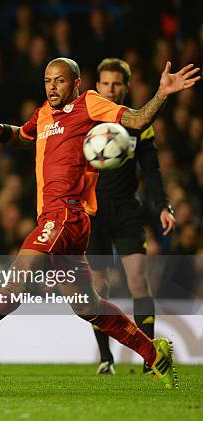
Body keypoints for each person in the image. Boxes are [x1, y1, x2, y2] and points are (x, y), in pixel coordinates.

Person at [0, 57, 199, 389]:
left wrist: (162, 93)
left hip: (65, 214)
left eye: (59, 81)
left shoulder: (89, 103)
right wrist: (1, 130)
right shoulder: (44, 113)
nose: (51, 87)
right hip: (62, 220)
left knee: (19, 278)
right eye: (47, 80)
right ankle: (154, 352)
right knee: (88, 305)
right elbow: (25, 136)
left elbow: (137, 119)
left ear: (75, 83)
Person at [88, 58, 176, 375]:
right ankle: (105, 358)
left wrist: (165, 205)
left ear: (127, 87)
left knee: (139, 280)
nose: (110, 90)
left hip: (126, 208)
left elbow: (151, 170)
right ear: (97, 86)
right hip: (92, 211)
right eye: (105, 84)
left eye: (116, 84)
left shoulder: (139, 122)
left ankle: (151, 359)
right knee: (98, 288)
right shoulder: (86, 121)